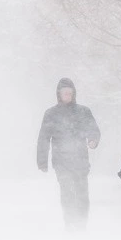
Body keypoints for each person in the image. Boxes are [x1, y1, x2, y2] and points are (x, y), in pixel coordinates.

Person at [37, 78, 101, 231]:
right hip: (61, 162)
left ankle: (81, 225)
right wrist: (42, 161)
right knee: (67, 192)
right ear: (59, 94)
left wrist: (93, 140)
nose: (67, 95)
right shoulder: (51, 114)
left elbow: (94, 129)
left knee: (82, 194)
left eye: (69, 93)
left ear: (74, 94)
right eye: (64, 93)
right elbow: (43, 138)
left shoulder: (83, 111)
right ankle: (70, 223)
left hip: (80, 161)